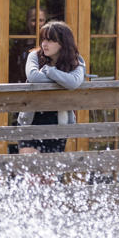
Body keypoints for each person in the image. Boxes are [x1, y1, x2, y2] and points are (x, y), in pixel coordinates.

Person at [17, 21, 85, 154]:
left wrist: (49, 71)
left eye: (50, 40)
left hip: (58, 120)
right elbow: (34, 77)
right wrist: (62, 79)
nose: (44, 44)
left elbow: (74, 82)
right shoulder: (34, 55)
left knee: (49, 171)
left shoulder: (76, 60)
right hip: (31, 117)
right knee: (28, 167)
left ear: (62, 43)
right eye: (43, 39)